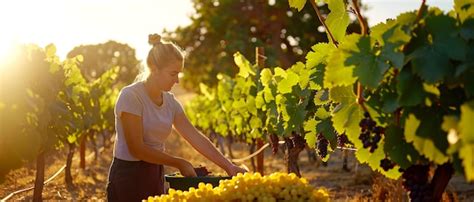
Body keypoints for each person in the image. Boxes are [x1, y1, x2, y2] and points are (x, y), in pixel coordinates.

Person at [106, 34, 247, 201]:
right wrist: (179, 162)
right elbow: (136, 148)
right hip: (127, 176)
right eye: (173, 74)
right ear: (153, 68)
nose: (177, 81)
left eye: (179, 74)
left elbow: (195, 137)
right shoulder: (131, 96)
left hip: (154, 174)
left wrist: (229, 167)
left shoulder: (170, 102)